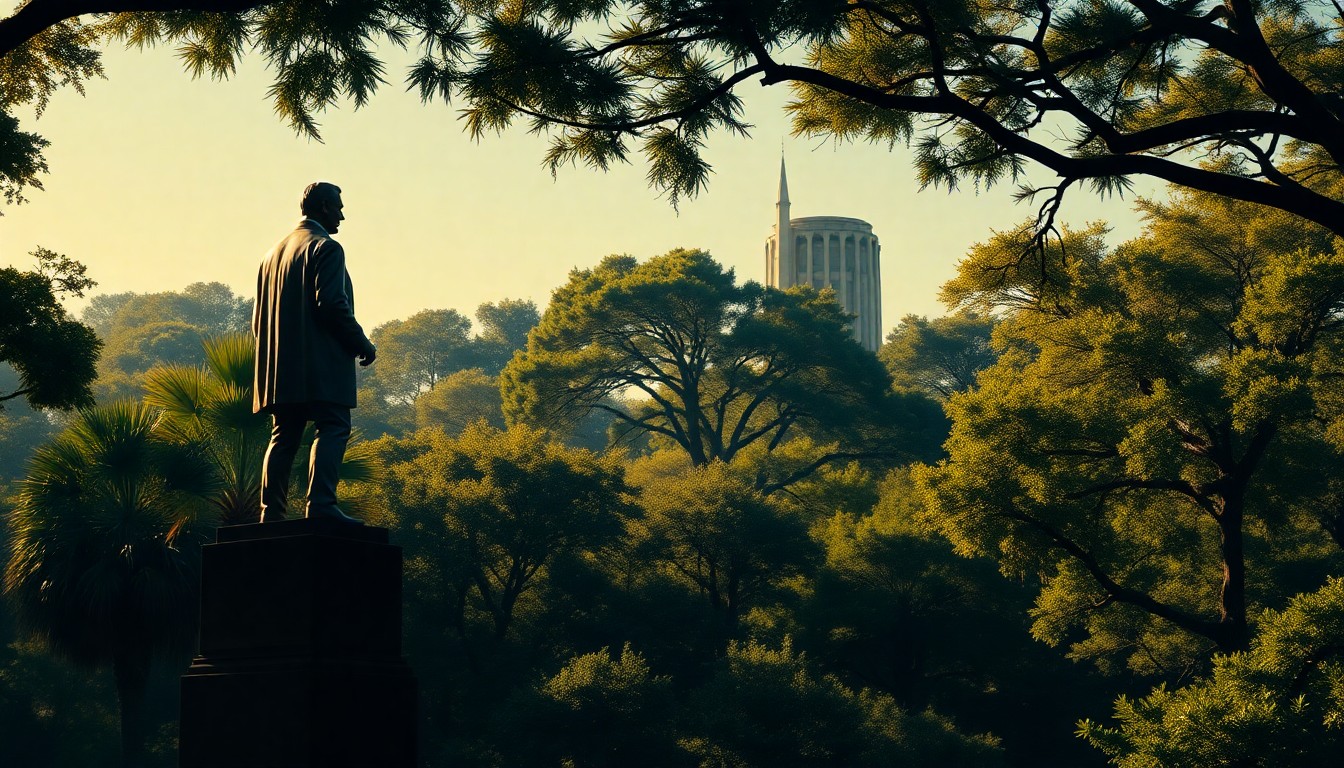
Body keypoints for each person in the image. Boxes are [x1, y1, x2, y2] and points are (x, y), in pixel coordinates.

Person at [252, 182, 377, 524]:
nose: (342, 214)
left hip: (279, 370)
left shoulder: (270, 256)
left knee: (283, 436)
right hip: (321, 366)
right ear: (323, 207)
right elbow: (332, 305)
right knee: (334, 425)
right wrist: (362, 344)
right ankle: (321, 505)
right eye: (338, 207)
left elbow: (257, 322)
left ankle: (270, 513)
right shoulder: (326, 248)